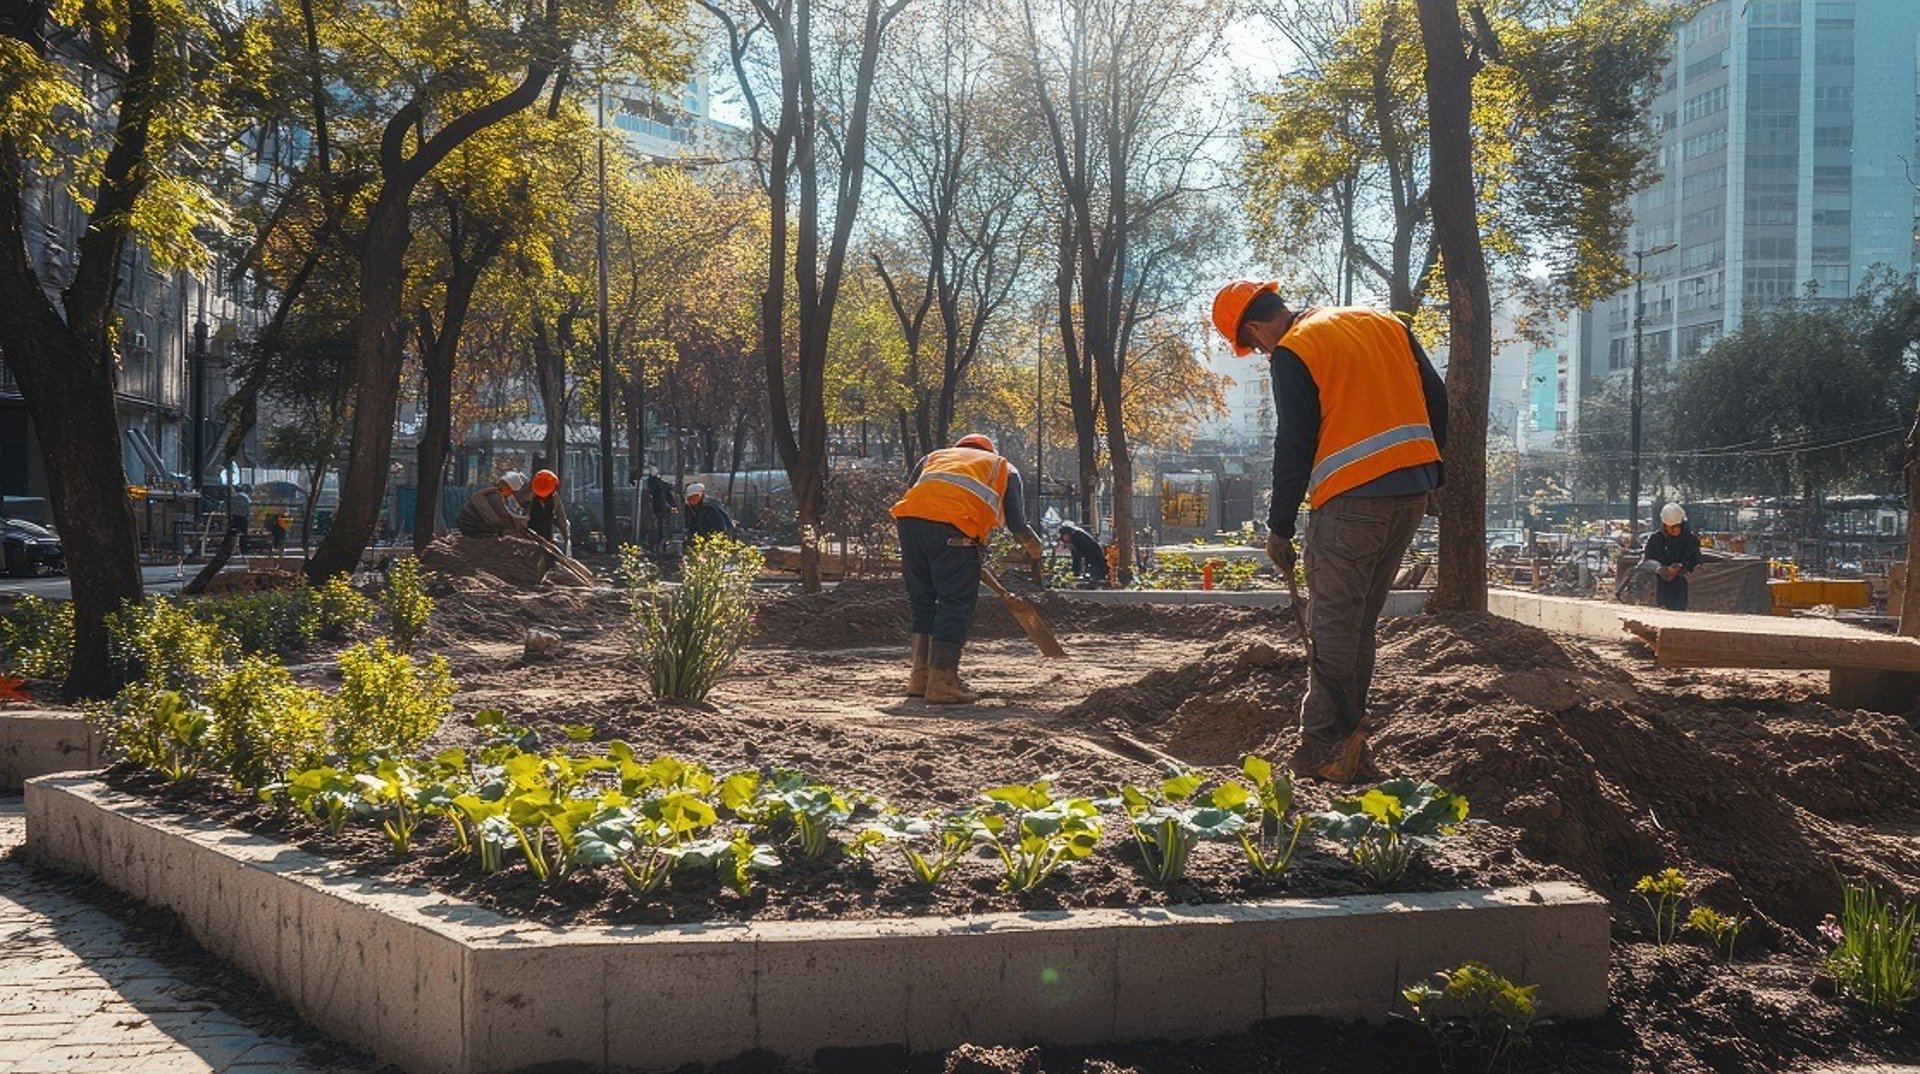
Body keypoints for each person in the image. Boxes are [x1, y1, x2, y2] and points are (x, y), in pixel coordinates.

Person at [1213, 280, 1447, 784]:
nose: (1260, 353)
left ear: (1256, 328)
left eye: (1253, 346)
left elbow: (1294, 443)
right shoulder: (1384, 323)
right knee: (1360, 620)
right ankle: (1352, 733)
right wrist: (1434, 473)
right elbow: (1437, 397)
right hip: (1410, 491)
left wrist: (1279, 527)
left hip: (1353, 500)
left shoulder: (1295, 350)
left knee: (1335, 624)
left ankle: (1322, 744)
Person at [890, 433, 1046, 704]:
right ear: (988, 449)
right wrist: (1035, 550)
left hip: (909, 526)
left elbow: (915, 494)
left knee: (923, 603)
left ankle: (920, 678)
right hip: (955, 530)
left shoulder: (934, 458)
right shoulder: (1001, 466)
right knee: (955, 602)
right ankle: (943, 682)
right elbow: (1017, 524)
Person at [1643, 503, 1701, 611]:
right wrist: (1662, 569)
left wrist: (1682, 567)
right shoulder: (1656, 539)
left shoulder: (1691, 540)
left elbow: (1696, 562)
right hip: (1659, 586)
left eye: (1675, 526)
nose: (1672, 530)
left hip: (1683, 587)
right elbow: (1647, 562)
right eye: (1669, 527)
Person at [457, 471, 529, 537]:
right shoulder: (493, 496)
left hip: (468, 525)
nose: (511, 494)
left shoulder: (491, 493)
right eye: (512, 491)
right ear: (508, 487)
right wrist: (524, 521)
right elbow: (504, 518)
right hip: (472, 527)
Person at [525, 469, 571, 551]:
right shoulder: (529, 498)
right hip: (530, 538)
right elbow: (524, 519)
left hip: (547, 539)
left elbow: (561, 518)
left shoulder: (554, 498)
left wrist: (566, 537)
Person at [1056, 520, 1107, 586]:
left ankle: (1096, 580)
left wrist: (1075, 570)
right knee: (1095, 567)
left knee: (1096, 567)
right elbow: (1076, 556)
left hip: (1092, 552)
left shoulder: (1076, 536)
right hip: (1092, 551)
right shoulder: (1074, 534)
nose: (1065, 539)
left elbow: (1078, 555)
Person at [642, 473, 676, 552]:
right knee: (661, 528)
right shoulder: (662, 489)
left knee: (658, 528)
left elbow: (658, 501)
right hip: (659, 512)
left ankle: (657, 544)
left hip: (658, 512)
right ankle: (658, 544)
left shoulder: (657, 491)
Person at [228, 486, 251, 554]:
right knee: (244, 535)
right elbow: (248, 506)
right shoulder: (245, 497)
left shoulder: (233, 497)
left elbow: (229, 507)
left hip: (235, 518)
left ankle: (232, 550)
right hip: (243, 518)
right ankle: (244, 550)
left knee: (233, 534)